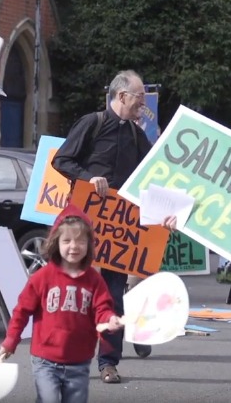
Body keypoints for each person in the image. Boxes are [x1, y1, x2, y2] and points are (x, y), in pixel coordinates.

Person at [51, 70, 175, 384]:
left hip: (119, 235)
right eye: (138, 99)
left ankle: (108, 362)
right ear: (121, 97)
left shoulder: (136, 135)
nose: (142, 106)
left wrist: (168, 212)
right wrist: (87, 178)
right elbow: (61, 160)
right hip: (86, 230)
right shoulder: (91, 124)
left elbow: (152, 176)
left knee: (114, 299)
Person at [0, 204, 124, 403]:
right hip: (45, 359)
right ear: (56, 243)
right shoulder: (41, 278)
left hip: (80, 360)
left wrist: (110, 321)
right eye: (67, 241)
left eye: (80, 241)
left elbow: (102, 308)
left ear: (89, 244)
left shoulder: (94, 280)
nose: (74, 246)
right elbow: (22, 311)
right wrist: (11, 340)